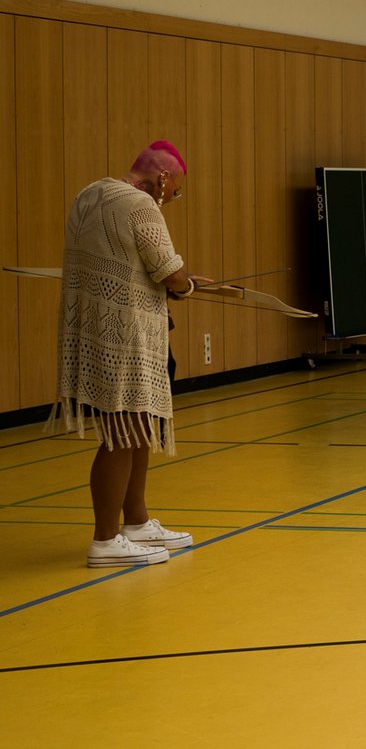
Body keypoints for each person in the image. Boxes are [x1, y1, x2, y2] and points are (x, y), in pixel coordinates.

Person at [57, 141, 207, 568]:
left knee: (137, 427)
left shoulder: (90, 193)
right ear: (162, 178)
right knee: (121, 435)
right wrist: (187, 284)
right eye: (174, 191)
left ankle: (136, 523)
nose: (172, 199)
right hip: (125, 335)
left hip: (94, 328)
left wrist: (181, 282)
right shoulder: (141, 205)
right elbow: (168, 271)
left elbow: (128, 262)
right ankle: (105, 539)